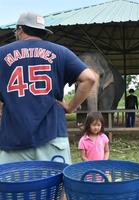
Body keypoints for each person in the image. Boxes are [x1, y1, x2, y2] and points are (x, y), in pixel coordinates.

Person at [0, 11, 96, 164]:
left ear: (20, 29)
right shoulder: (60, 51)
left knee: (14, 186)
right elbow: (89, 78)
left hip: (13, 137)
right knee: (55, 186)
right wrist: (70, 107)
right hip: (52, 134)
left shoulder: (2, 53)